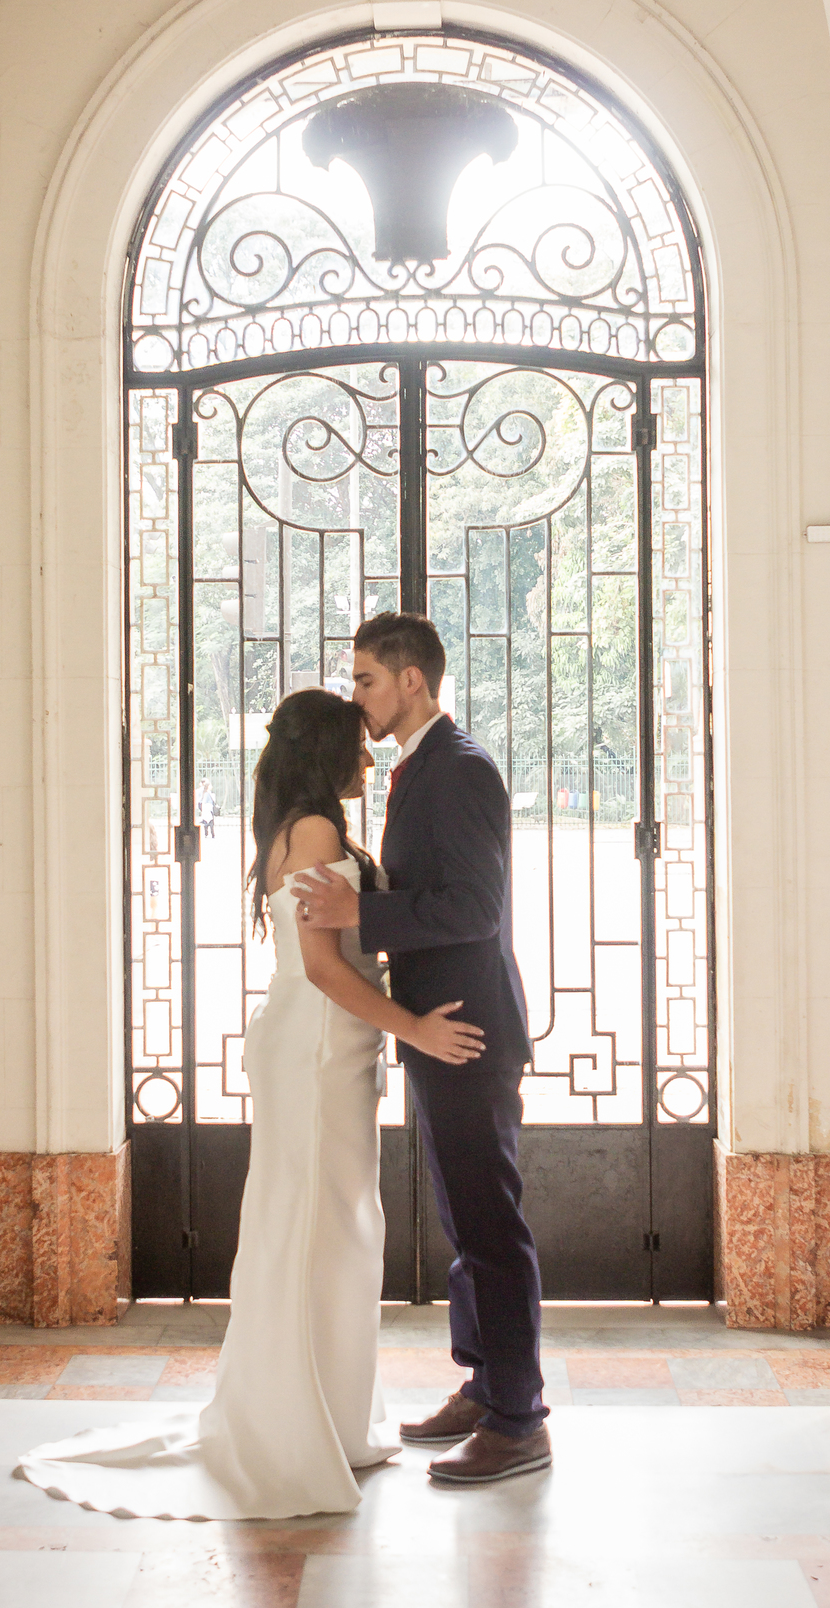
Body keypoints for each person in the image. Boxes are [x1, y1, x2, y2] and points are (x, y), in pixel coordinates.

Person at [16, 688, 483, 1520]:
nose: (367, 757)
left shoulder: (306, 826)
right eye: (355, 745)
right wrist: (414, 1027)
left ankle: (324, 1419)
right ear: (325, 752)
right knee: (313, 1231)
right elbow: (325, 968)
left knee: (333, 1229)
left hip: (328, 1046)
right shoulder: (313, 832)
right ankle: (293, 1432)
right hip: (315, 1049)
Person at [292, 612, 550, 1485]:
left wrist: (360, 912)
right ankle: (484, 1385)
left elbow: (476, 908)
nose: (356, 695)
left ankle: (519, 1420)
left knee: (489, 1224)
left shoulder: (461, 767)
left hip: (467, 1032)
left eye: (365, 678)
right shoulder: (420, 767)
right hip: (436, 1030)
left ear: (412, 680)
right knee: (463, 1219)